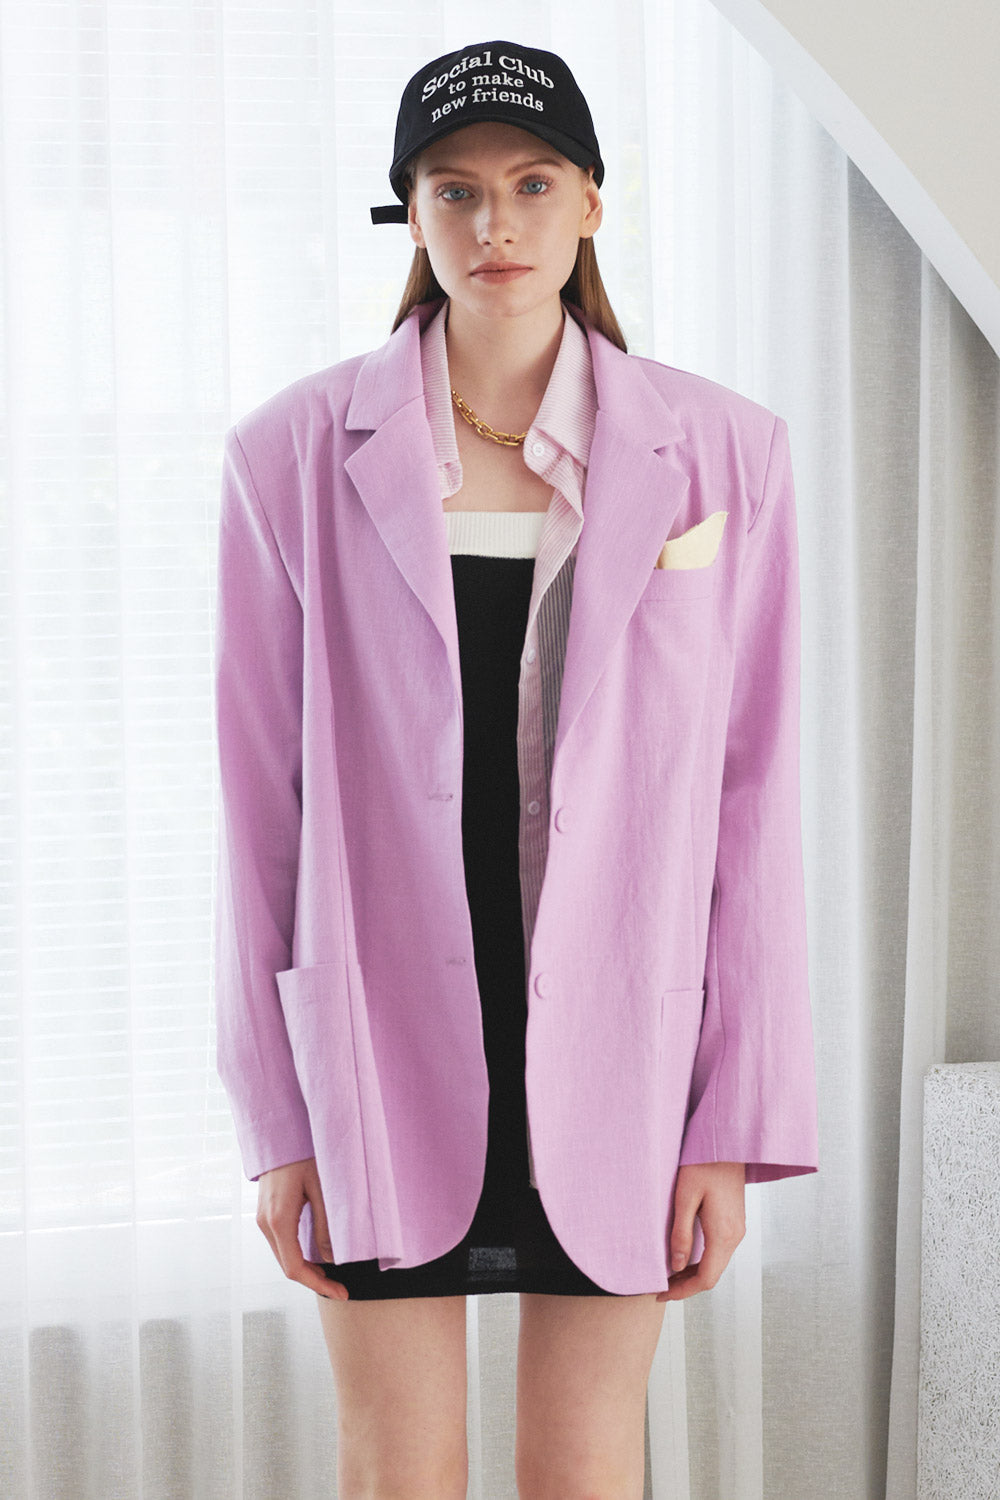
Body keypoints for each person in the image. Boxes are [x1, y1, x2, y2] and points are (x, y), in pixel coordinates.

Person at [213, 38, 819, 1499]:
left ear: (592, 203)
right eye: (456, 190)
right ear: (411, 213)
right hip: (375, 1043)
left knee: (587, 1468)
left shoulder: (725, 454)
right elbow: (257, 814)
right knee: (398, 1469)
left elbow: (752, 805)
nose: (496, 224)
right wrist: (277, 1120)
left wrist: (731, 1124)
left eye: (533, 185)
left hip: (623, 1045)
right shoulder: (291, 454)